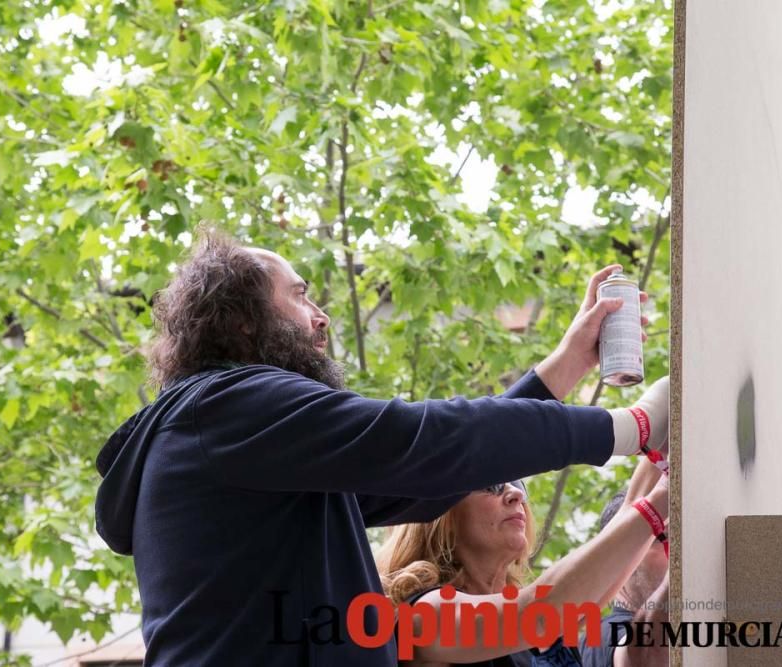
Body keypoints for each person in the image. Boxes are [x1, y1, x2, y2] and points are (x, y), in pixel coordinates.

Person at [94, 233, 670, 666]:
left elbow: (429, 477)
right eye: (299, 296)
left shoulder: (254, 450)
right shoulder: (228, 408)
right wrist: (634, 427)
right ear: (243, 323)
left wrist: (569, 362)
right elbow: (425, 443)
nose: (321, 318)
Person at [377, 464, 669, 666]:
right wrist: (665, 493)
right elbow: (536, 614)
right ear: (439, 512)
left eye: (518, 485)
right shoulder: (425, 614)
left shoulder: (543, 625)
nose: (515, 494)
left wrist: (667, 436)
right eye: (491, 485)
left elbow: (624, 529)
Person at [579, 458, 671, 667]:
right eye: (662, 537)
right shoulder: (600, 637)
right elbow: (647, 656)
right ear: (618, 555)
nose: (674, 549)